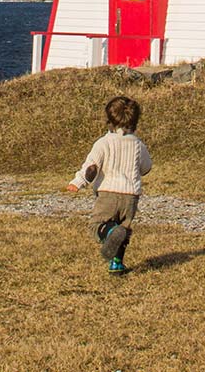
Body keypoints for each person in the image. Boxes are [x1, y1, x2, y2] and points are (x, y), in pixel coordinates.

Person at [66, 95, 152, 274]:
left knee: (99, 225)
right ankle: (117, 263)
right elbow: (146, 167)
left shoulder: (103, 143)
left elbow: (92, 167)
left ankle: (111, 232)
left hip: (107, 193)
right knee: (124, 229)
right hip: (131, 196)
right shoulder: (138, 145)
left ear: (109, 120)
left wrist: (78, 182)